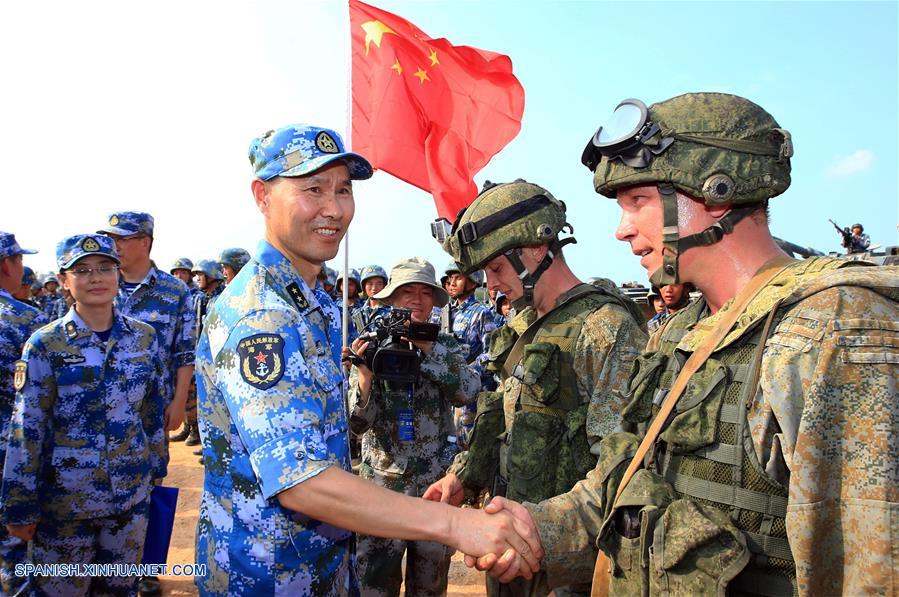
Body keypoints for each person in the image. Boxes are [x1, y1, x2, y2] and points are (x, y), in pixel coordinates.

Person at [474, 93, 899, 595]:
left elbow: (868, 569)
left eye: (637, 202)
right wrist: (533, 528)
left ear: (714, 194)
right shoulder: (684, 331)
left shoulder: (830, 331)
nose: (621, 228)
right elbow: (623, 478)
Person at [193, 123, 541, 596]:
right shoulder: (262, 314)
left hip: (320, 566)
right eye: (312, 189)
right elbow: (301, 481)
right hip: (268, 576)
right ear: (262, 196)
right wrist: (456, 526)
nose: (334, 209)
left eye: (343, 190)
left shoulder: (309, 304)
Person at [424, 179, 647, 597]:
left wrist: (544, 531)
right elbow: (504, 417)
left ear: (534, 251)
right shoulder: (524, 325)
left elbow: (622, 467)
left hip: (568, 564)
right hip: (511, 542)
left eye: (496, 268)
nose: (490, 285)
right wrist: (464, 477)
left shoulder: (605, 328)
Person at [1, 234, 166, 596]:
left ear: (118, 274)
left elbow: (152, 410)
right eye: (83, 270)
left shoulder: (143, 338)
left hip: (129, 498)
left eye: (105, 268)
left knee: (120, 590)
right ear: (64, 280)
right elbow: (27, 429)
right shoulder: (45, 345)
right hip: (65, 505)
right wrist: (19, 504)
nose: (96, 278)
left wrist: (157, 467)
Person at [347, 257, 479, 596]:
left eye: (424, 292)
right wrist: (365, 375)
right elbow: (358, 424)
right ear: (391, 297)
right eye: (407, 291)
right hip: (381, 487)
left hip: (434, 487)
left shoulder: (445, 344)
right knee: (375, 583)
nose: (416, 300)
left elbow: (467, 392)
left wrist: (429, 352)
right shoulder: (371, 345)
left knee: (430, 585)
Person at [97, 211, 196, 597]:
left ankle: (148, 568)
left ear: (145, 242)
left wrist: (178, 401)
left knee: (151, 483)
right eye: (111, 238)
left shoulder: (174, 292)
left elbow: (184, 352)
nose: (115, 246)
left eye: (122, 239)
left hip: (151, 410)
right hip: (99, 409)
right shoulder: (102, 282)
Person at [0, 232, 47, 595]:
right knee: (20, 551)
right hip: (13, 455)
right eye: (18, 261)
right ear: (7, 265)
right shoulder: (24, 321)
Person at [440, 261, 497, 447]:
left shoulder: (482, 313)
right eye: (449, 279)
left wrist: (466, 372)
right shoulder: (445, 314)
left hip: (471, 394)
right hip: (446, 391)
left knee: (469, 446)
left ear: (473, 281)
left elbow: (491, 353)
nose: (452, 283)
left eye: (458, 278)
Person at [352, 264, 390, 335]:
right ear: (364, 286)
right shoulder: (357, 314)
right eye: (370, 283)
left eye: (379, 283)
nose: (374, 288)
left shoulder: (392, 312)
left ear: (384, 286)